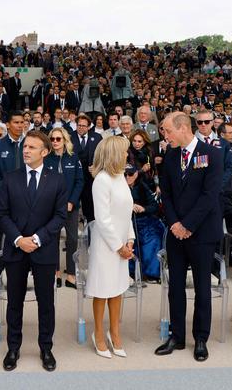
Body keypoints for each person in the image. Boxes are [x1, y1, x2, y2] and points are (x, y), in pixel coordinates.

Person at [0, 130, 67, 372]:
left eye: (32, 147)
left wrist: (37, 238)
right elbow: (1, 214)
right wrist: (18, 239)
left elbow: (60, 216)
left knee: (46, 303)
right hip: (15, 249)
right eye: (25, 146)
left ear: (45, 152)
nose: (26, 150)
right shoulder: (10, 178)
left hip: (43, 249)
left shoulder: (57, 180)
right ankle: (13, 348)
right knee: (14, 302)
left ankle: (46, 347)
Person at [156, 112, 224, 362]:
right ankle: (177, 336)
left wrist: (188, 225)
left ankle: (201, 338)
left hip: (202, 233)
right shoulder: (171, 156)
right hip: (176, 233)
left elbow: (210, 195)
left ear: (183, 128)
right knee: (175, 287)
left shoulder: (213, 154)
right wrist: (174, 223)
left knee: (202, 288)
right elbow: (167, 194)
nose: (165, 135)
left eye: (167, 130)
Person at [86, 135, 135, 359]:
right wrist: (119, 246)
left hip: (122, 244)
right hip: (106, 245)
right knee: (102, 290)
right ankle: (98, 333)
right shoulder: (102, 180)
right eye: (124, 151)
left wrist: (130, 239)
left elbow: (127, 211)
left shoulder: (120, 178)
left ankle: (115, 332)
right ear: (115, 153)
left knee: (117, 288)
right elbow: (102, 219)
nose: (127, 154)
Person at [45, 127, 83, 288]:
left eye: (58, 139)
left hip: (70, 206)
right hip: (52, 207)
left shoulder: (73, 158)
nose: (55, 142)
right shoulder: (46, 158)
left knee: (73, 239)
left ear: (65, 140)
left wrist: (72, 202)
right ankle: (56, 273)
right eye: (52, 139)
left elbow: (79, 182)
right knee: (52, 239)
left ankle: (71, 275)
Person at [125, 164, 163, 282]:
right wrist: (128, 206)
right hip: (126, 221)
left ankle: (150, 273)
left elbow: (154, 206)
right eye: (124, 174)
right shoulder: (118, 186)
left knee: (153, 238)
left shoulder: (142, 186)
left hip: (144, 220)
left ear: (136, 174)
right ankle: (130, 271)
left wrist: (143, 208)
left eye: (130, 174)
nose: (127, 177)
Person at [0, 111, 25, 200]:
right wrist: (4, 193)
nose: (20, 126)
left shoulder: (30, 144)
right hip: (4, 197)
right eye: (16, 122)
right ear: (7, 125)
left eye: (22, 122)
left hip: (27, 196)